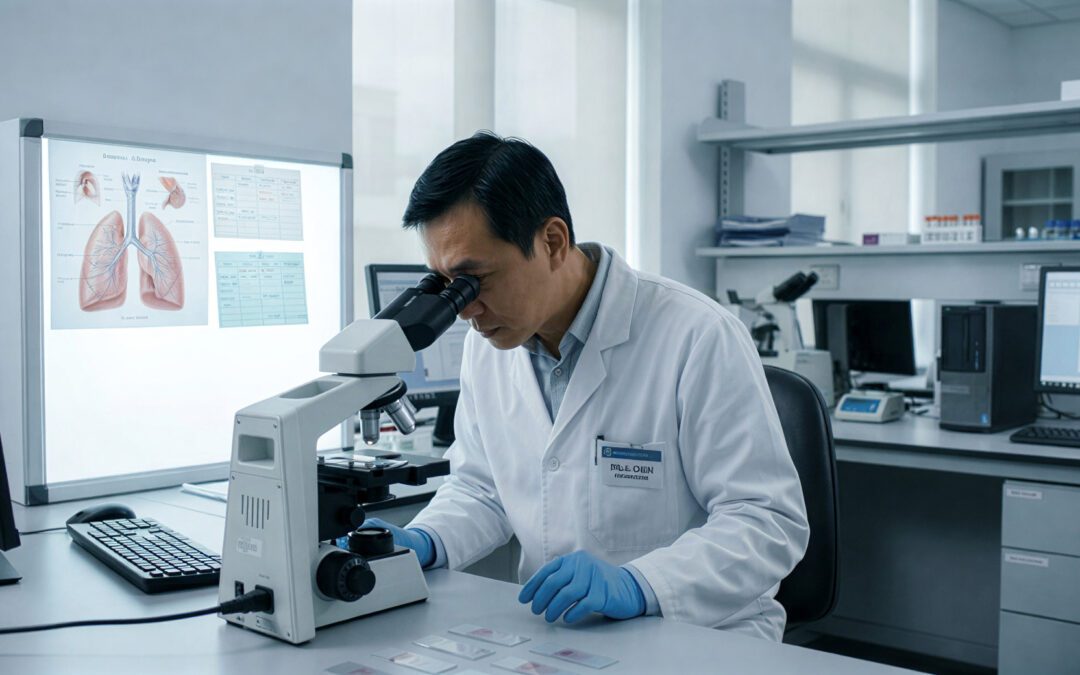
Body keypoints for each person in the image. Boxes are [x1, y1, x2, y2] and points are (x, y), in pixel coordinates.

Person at [362, 131, 809, 641]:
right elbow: (482, 488)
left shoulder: (698, 334)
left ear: (552, 242)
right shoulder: (487, 345)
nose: (463, 310)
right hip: (554, 636)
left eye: (474, 279)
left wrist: (640, 584)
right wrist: (426, 539)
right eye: (445, 284)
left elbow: (766, 521)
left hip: (701, 637)